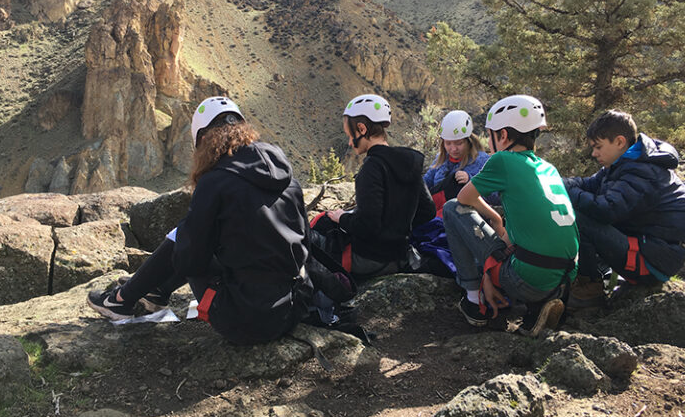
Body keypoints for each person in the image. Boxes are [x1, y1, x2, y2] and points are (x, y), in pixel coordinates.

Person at [87, 96, 313, 345]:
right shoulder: (287, 178)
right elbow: (305, 242)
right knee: (199, 236)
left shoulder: (215, 183)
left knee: (184, 236)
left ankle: (121, 300)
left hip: (245, 321)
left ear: (205, 139)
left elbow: (189, 260)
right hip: (293, 308)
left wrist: (189, 242)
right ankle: (153, 293)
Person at [441, 95, 579, 337]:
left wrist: (494, 219)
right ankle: (538, 307)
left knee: (452, 208)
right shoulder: (549, 168)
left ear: (502, 135)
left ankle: (475, 302)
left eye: (491, 133)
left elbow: (463, 199)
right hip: (564, 279)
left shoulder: (503, 160)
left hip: (528, 279)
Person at [563, 110, 685, 308]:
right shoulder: (622, 165)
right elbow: (588, 184)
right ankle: (594, 280)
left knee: (580, 218)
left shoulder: (642, 171)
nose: (594, 154)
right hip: (648, 249)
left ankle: (589, 290)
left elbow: (608, 210)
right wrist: (556, 184)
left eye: (598, 147)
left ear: (619, 142)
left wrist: (569, 194)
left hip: (652, 260)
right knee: (582, 211)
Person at [313, 93, 436, 276]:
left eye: (350, 135)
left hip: (370, 259)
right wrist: (397, 226)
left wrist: (342, 218)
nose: (349, 142)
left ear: (362, 129)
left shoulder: (371, 168)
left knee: (312, 242)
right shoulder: (408, 163)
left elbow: (367, 226)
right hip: (401, 255)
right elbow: (428, 212)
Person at [424, 110, 490, 210]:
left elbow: (494, 195)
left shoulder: (482, 160)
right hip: (437, 215)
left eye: (459, 143)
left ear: (468, 141)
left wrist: (470, 181)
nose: (453, 149)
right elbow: (426, 182)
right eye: (448, 143)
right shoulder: (441, 159)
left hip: (466, 218)